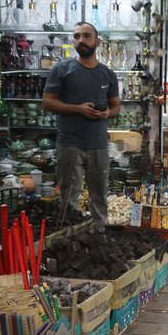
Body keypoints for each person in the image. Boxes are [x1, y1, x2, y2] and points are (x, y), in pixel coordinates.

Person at [42, 21, 120, 232]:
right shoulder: (62, 70)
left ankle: (99, 237)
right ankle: (69, 238)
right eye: (76, 36)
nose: (81, 40)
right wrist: (79, 109)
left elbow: (115, 107)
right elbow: (48, 102)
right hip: (70, 143)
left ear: (97, 41)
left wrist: (107, 113)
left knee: (99, 195)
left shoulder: (107, 74)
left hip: (98, 144)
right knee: (69, 196)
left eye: (86, 36)